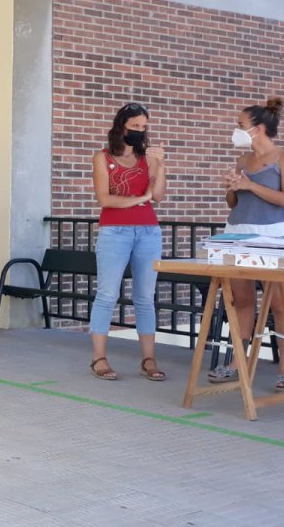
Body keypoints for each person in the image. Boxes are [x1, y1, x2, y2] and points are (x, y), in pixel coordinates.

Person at [208, 97, 284, 389]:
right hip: (238, 232)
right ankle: (237, 362)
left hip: (271, 235)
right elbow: (234, 203)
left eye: (240, 125)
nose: (236, 130)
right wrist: (231, 187)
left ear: (257, 129)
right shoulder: (243, 160)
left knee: (279, 303)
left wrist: (250, 184)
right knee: (241, 300)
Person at [89, 102, 168, 381]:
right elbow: (105, 199)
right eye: (135, 126)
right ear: (121, 125)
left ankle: (149, 359)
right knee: (107, 294)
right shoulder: (103, 157)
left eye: (144, 127)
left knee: (145, 297)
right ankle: (99, 358)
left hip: (148, 231)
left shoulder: (148, 157)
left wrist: (160, 164)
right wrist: (138, 199)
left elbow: (157, 196)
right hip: (115, 231)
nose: (140, 131)